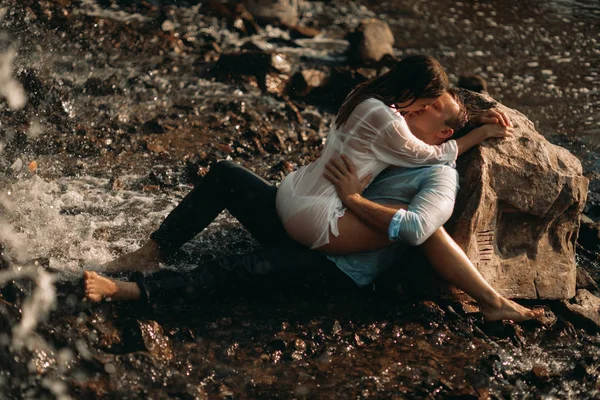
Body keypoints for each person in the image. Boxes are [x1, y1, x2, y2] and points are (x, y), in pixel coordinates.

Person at [84, 89, 541, 322]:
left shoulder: (437, 174)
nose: (406, 110)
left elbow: (421, 228)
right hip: (310, 226)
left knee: (245, 265)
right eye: (414, 103)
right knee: (226, 174)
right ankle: (154, 250)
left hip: (339, 269)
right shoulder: (393, 136)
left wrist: (353, 199)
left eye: (421, 110)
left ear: (441, 133)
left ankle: (134, 293)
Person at [275, 55, 513, 253]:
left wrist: (469, 119)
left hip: (291, 191)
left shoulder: (365, 95)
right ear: (413, 91)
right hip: (311, 218)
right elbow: (433, 154)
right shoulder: (388, 120)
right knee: (418, 227)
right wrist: (482, 133)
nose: (423, 109)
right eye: (425, 103)